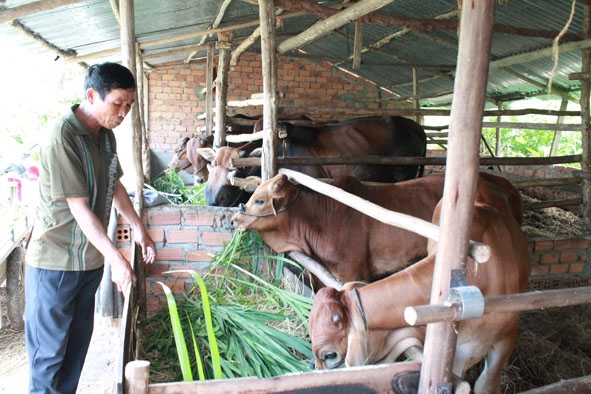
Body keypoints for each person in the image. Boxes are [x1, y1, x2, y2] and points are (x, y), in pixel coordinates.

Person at [24, 62, 156, 394]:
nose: (124, 112)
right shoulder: (62, 137)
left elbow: (115, 187)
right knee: (49, 357)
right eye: (118, 103)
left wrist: (138, 228)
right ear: (92, 95)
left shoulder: (106, 138)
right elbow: (79, 209)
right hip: (56, 264)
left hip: (87, 264)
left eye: (129, 105)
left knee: (75, 352)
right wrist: (116, 259)